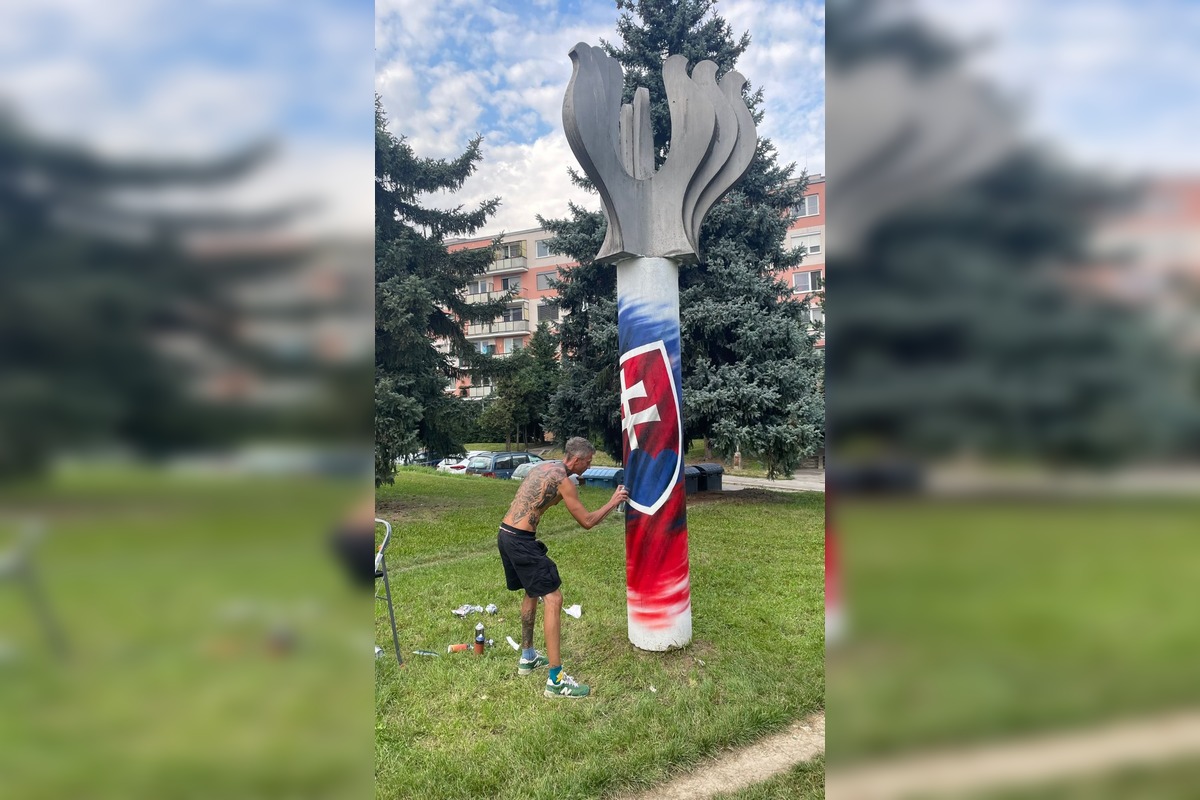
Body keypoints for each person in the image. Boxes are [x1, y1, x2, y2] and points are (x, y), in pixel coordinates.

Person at [497, 437, 627, 699]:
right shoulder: (563, 481)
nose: (589, 466)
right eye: (588, 462)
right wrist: (613, 501)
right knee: (554, 598)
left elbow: (540, 500)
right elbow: (587, 521)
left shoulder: (544, 468)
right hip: (521, 542)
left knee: (532, 591)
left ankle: (528, 656)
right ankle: (556, 681)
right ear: (576, 459)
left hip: (506, 534)